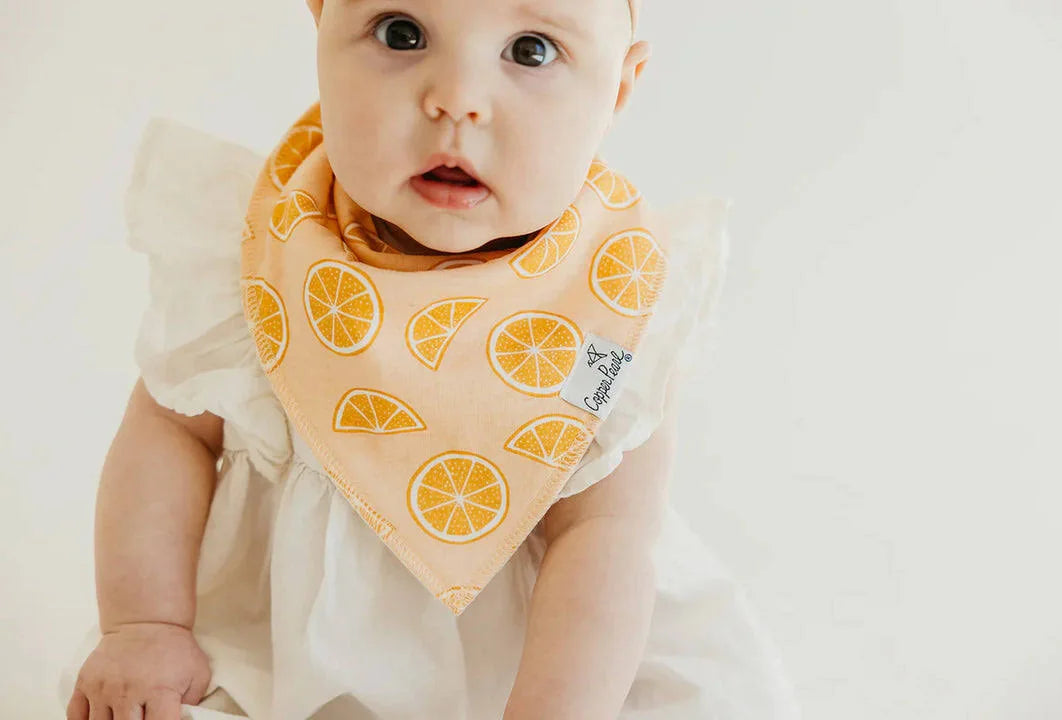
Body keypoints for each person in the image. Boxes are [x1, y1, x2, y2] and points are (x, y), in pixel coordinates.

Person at [60, 0, 801, 717]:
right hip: (276, 644)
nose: (456, 100)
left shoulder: (614, 309)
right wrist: (146, 625)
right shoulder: (259, 251)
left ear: (618, 89)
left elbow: (603, 533)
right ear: (320, 25)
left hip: (551, 666)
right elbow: (172, 429)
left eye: (531, 50)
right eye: (401, 32)